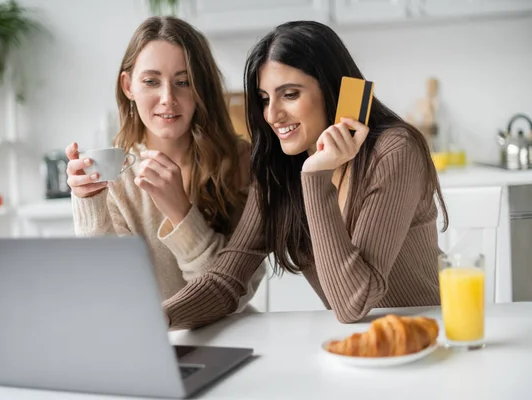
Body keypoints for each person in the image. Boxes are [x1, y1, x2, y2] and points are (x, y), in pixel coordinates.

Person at [163, 20, 448, 329]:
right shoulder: (278, 170)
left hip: (426, 342)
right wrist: (154, 318)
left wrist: (315, 177)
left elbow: (354, 302)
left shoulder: (394, 151)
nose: (272, 115)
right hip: (355, 350)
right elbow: (226, 281)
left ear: (331, 89)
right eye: (264, 98)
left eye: (290, 94)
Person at [66, 16, 265, 310]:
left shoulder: (241, 163)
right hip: (151, 341)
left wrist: (181, 212)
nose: (168, 98)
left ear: (201, 89)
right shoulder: (114, 174)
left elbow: (234, 296)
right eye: (151, 82)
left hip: (231, 336)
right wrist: (90, 204)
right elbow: (111, 293)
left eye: (183, 82)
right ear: (128, 86)